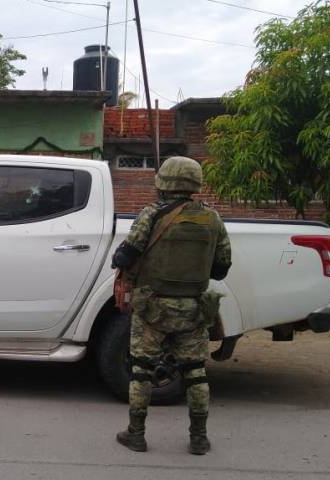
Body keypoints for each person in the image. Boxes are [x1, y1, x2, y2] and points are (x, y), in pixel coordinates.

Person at [111, 156, 231, 455]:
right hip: (193, 310)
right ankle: (199, 438)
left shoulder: (151, 214)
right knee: (196, 373)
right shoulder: (212, 218)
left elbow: (124, 256)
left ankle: (136, 435)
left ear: (163, 183)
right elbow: (221, 269)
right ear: (195, 183)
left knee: (141, 372)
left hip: (152, 309)